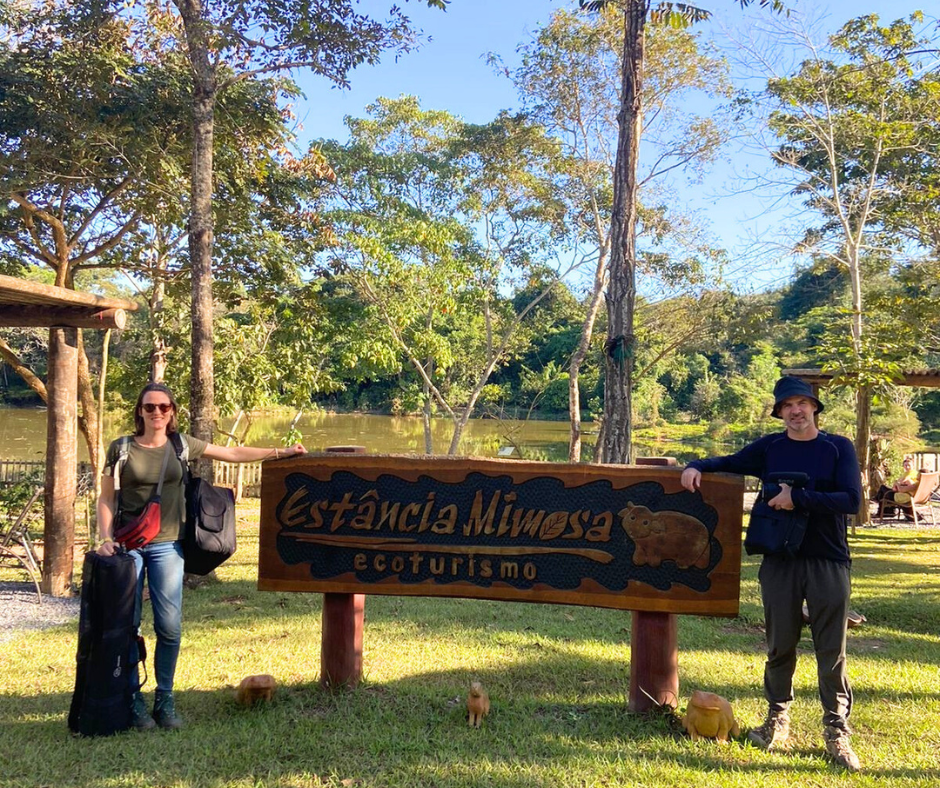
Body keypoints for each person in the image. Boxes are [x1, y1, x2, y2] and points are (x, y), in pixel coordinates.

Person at [95, 382, 307, 730]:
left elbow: (231, 453)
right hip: (127, 547)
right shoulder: (121, 449)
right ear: (140, 411)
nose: (157, 413)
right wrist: (105, 538)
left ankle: (165, 699)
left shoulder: (181, 445)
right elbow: (106, 499)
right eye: (150, 407)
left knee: (170, 626)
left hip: (169, 545)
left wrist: (281, 453)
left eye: (164, 407)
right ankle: (133, 699)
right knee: (126, 625)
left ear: (173, 411)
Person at [680, 376, 862, 772]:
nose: (796, 411)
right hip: (779, 561)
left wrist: (795, 497)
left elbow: (850, 500)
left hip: (827, 560)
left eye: (802, 403)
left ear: (815, 407)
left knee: (831, 651)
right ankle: (777, 719)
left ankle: (836, 730)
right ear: (779, 412)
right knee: (781, 644)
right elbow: (728, 463)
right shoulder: (770, 448)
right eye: (788, 406)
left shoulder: (838, 447)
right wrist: (695, 465)